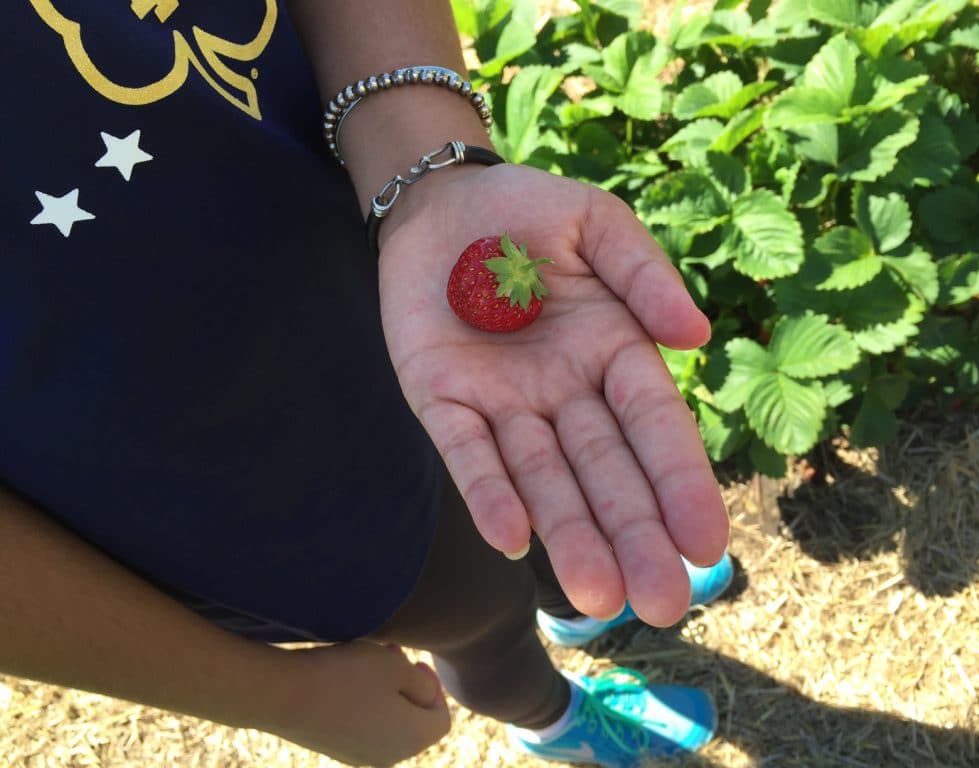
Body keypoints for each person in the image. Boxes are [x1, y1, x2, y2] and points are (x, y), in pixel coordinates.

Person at [0, 1, 732, 766]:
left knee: (524, 466)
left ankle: (576, 606)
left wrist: (427, 174)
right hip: (209, 468)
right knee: (475, 612)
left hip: (362, 236)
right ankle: (547, 715)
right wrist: (269, 693)